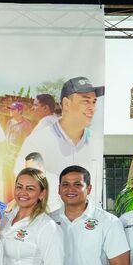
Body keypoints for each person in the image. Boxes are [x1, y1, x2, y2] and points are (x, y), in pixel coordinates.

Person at [16, 77, 104, 210]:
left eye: (94, 102)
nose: (92, 108)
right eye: (85, 101)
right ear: (66, 104)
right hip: (48, 224)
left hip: (88, 225)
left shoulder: (96, 142)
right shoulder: (38, 141)